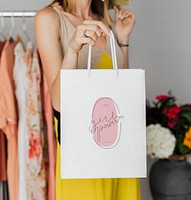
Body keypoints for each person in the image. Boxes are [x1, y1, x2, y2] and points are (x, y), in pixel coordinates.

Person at [35, 0, 140, 199]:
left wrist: (122, 40)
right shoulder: (49, 18)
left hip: (120, 148)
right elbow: (58, 102)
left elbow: (122, 90)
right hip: (83, 152)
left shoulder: (103, 19)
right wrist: (73, 49)